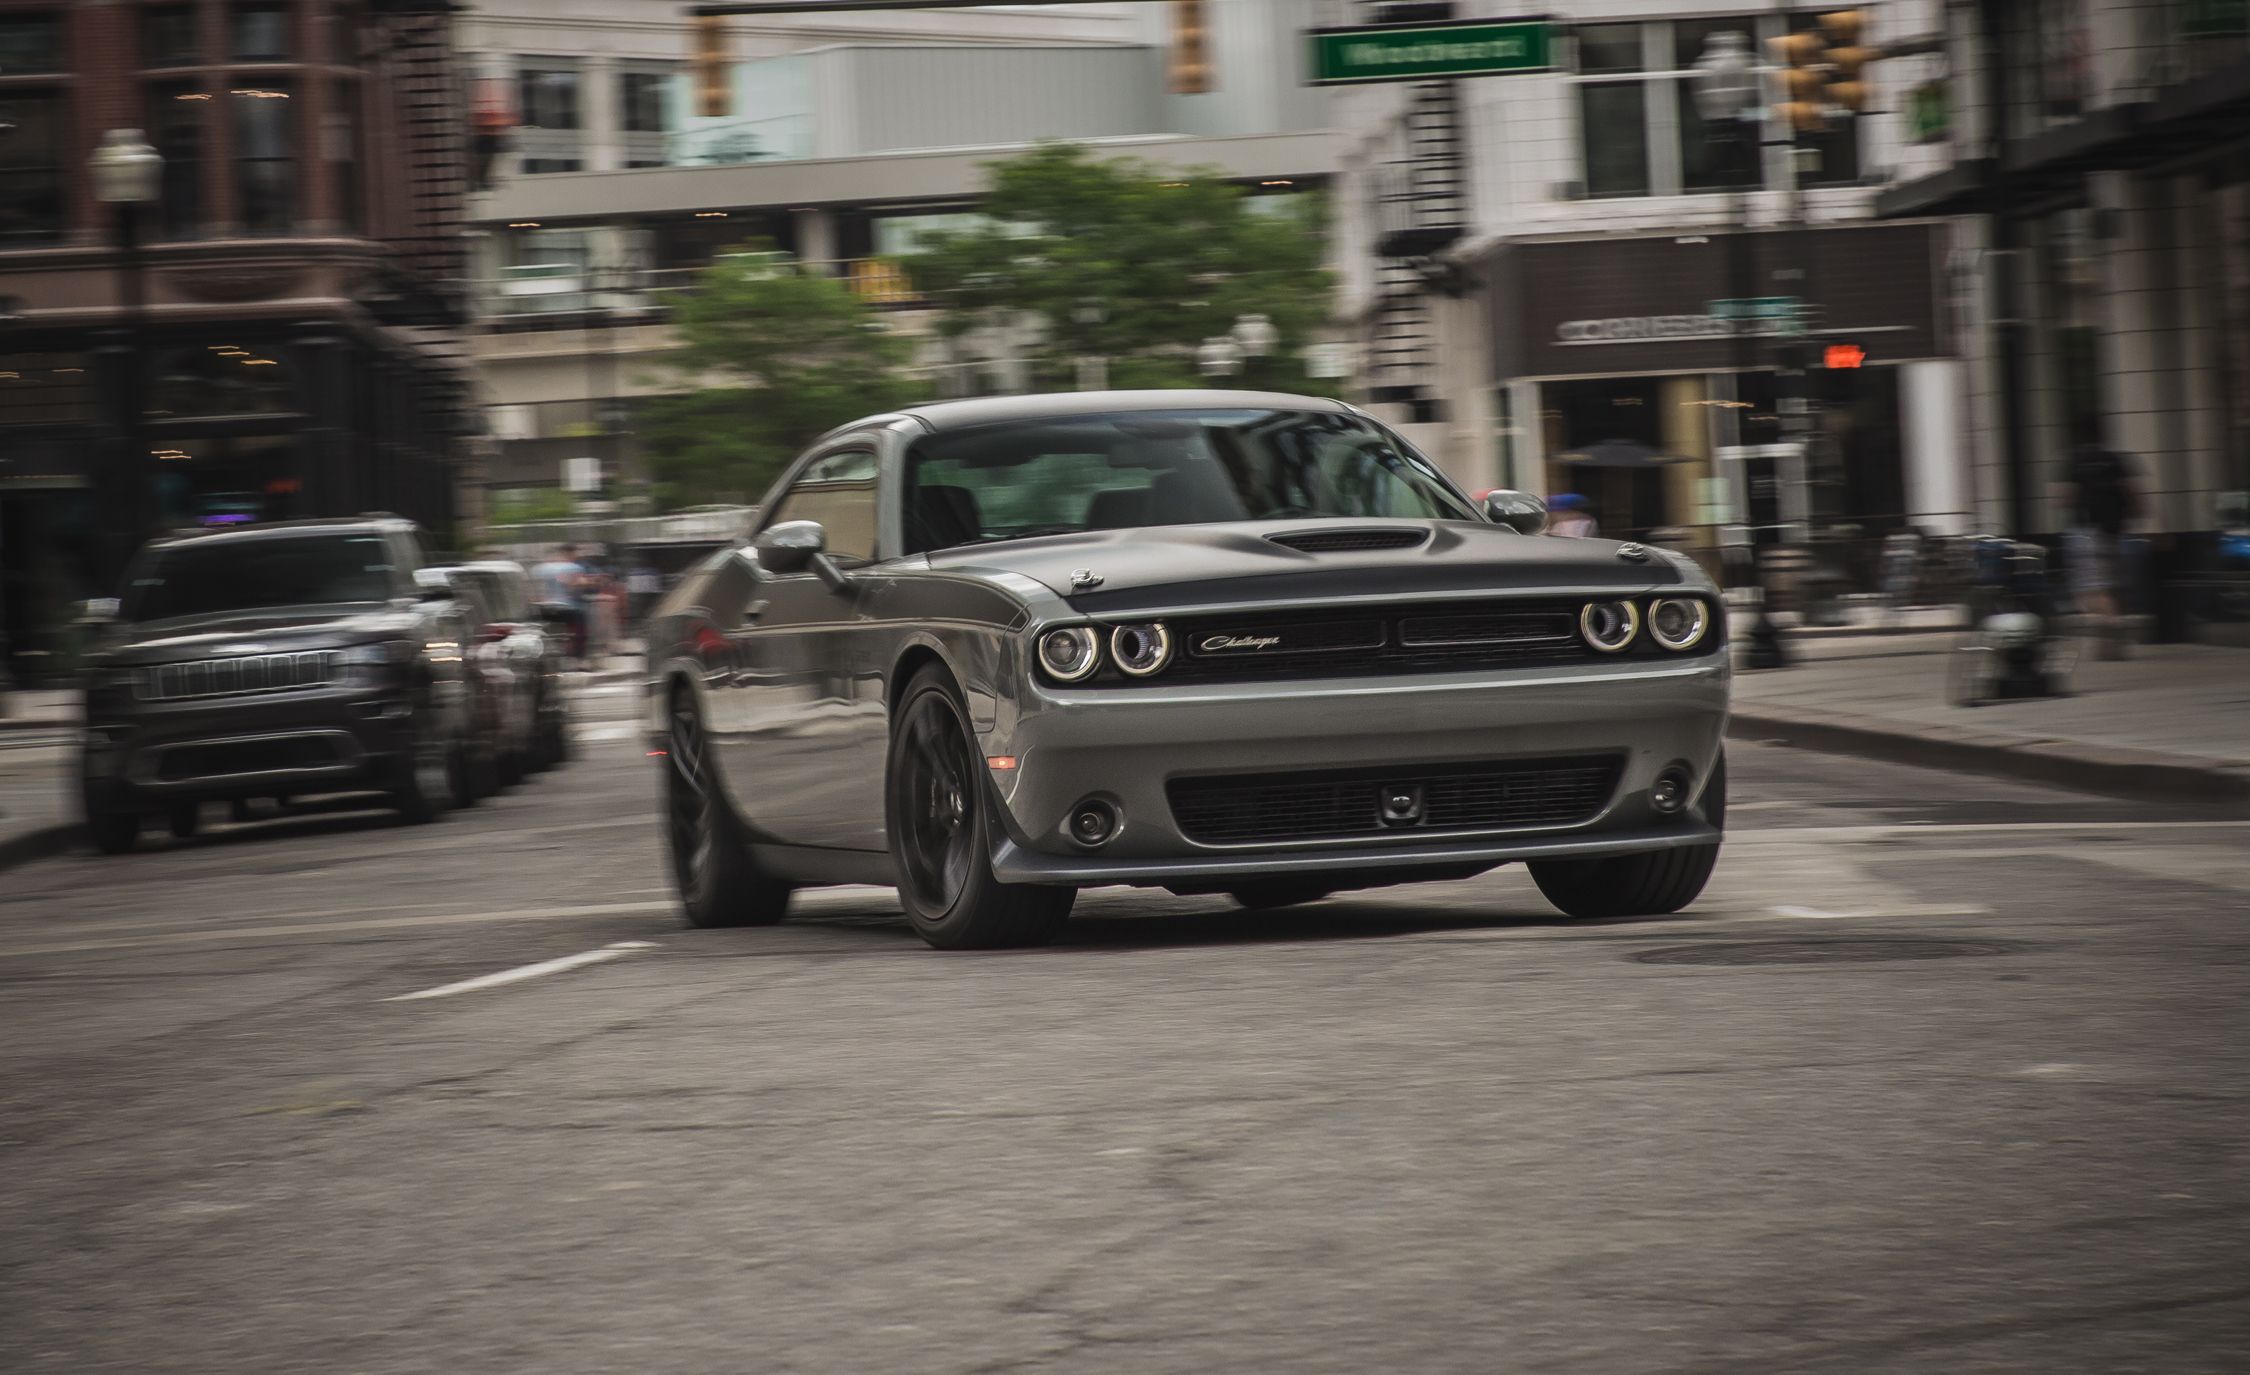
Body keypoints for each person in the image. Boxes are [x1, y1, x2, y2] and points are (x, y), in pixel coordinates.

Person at [2063, 443, 2140, 658]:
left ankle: (2114, 623)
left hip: (2087, 529)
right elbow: (2131, 491)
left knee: (2091, 588)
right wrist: (2136, 515)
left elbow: (2066, 497)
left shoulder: (2076, 460)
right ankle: (2110, 637)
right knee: (2110, 583)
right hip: (2115, 528)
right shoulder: (2116, 459)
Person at [530, 544, 589, 666]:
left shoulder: (538, 569)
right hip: (566, 609)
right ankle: (579, 658)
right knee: (581, 623)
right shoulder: (573, 567)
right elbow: (576, 586)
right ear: (569, 554)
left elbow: (532, 591)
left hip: (543, 610)